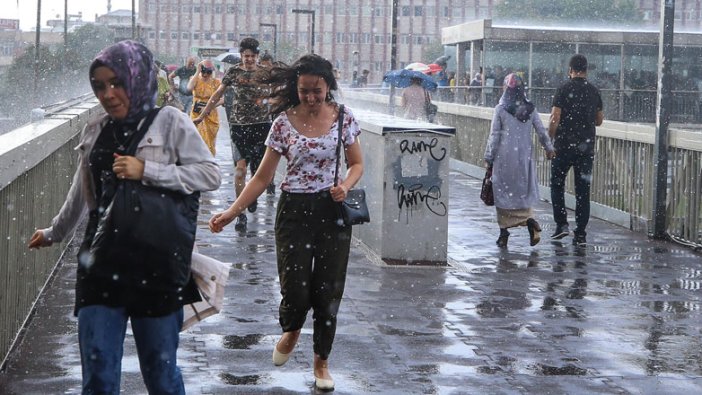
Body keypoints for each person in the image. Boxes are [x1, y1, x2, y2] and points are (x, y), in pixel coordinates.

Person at [27, 40, 221, 394]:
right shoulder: (96, 128)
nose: (108, 94)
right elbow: (82, 192)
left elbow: (210, 174)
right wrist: (54, 232)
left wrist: (148, 170)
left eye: (116, 83)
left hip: (158, 265)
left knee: (161, 375)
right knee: (98, 376)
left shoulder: (170, 122)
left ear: (137, 78)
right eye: (99, 86)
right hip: (101, 262)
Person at [208, 54, 363, 392]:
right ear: (296, 87)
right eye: (304, 90)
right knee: (295, 287)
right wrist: (232, 211)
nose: (310, 97)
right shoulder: (282, 122)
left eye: (316, 91)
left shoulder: (343, 119)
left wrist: (345, 186)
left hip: (332, 211)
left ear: (328, 87)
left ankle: (321, 361)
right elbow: (262, 177)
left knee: (328, 290)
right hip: (294, 211)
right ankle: (292, 328)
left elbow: (356, 164)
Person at [194, 37, 272, 230]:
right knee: (240, 171)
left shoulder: (266, 73)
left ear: (257, 56)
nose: (249, 60)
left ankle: (251, 197)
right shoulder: (234, 72)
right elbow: (217, 94)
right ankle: (241, 214)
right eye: (246, 56)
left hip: (262, 126)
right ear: (241, 56)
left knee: (258, 172)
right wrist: (202, 116)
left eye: (252, 56)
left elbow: (280, 91)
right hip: (239, 127)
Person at [484, 73, 555, 248]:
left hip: (504, 158)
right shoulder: (530, 109)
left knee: (502, 194)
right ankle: (530, 221)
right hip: (524, 157)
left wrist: (489, 157)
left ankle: (504, 233)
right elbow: (541, 131)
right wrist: (549, 148)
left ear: (506, 89)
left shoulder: (500, 109)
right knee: (522, 193)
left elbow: (494, 136)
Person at [549, 54, 604, 246]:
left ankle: (562, 225)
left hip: (563, 146)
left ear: (570, 70)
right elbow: (599, 120)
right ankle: (580, 232)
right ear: (586, 70)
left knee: (557, 185)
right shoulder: (594, 91)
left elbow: (555, 117)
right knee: (583, 191)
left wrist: (550, 139)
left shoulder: (563, 89)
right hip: (586, 148)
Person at [188, 59, 223, 155]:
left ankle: (208, 161)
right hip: (196, 113)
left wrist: (209, 106)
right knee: (197, 137)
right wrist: (197, 71)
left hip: (211, 115)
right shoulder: (195, 79)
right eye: (203, 71)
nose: (205, 75)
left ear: (212, 72)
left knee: (210, 141)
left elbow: (223, 99)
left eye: (208, 72)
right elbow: (189, 88)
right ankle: (197, 160)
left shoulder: (216, 82)